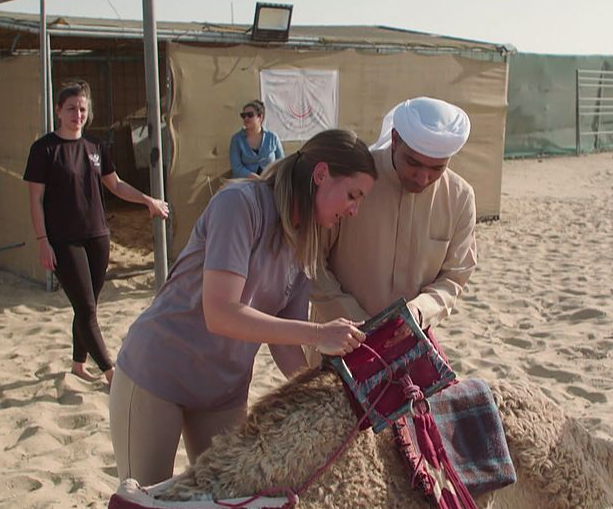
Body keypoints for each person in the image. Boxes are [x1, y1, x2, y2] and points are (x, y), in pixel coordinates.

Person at [111, 129, 377, 485]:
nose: (355, 210)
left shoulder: (306, 241)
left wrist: (321, 392)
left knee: (222, 505)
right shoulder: (240, 203)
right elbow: (220, 312)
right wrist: (319, 334)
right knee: (143, 503)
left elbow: (284, 341)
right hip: (158, 373)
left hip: (223, 390)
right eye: (352, 195)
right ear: (321, 174)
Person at [23, 81, 170, 385]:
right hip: (64, 240)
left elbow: (115, 185)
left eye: (82, 108)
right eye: (72, 108)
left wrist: (147, 200)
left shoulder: (95, 147)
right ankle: (110, 371)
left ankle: (79, 364)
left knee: (88, 304)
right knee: (86, 307)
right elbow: (35, 200)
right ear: (58, 111)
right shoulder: (44, 149)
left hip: (98, 235)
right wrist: (43, 242)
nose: (78, 114)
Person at [311, 96, 476, 333]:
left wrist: (420, 312)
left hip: (410, 340)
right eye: (413, 162)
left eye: (436, 168)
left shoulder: (459, 197)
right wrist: (358, 322)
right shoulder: (353, 180)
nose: (423, 178)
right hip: (336, 335)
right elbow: (312, 260)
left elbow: (454, 277)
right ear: (395, 139)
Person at [229, 99, 284, 178]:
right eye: (243, 116)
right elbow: (236, 167)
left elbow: (281, 162)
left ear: (260, 117)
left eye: (250, 115)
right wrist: (254, 177)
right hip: (245, 183)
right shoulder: (237, 139)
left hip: (269, 181)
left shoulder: (272, 138)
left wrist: (271, 177)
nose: (246, 118)